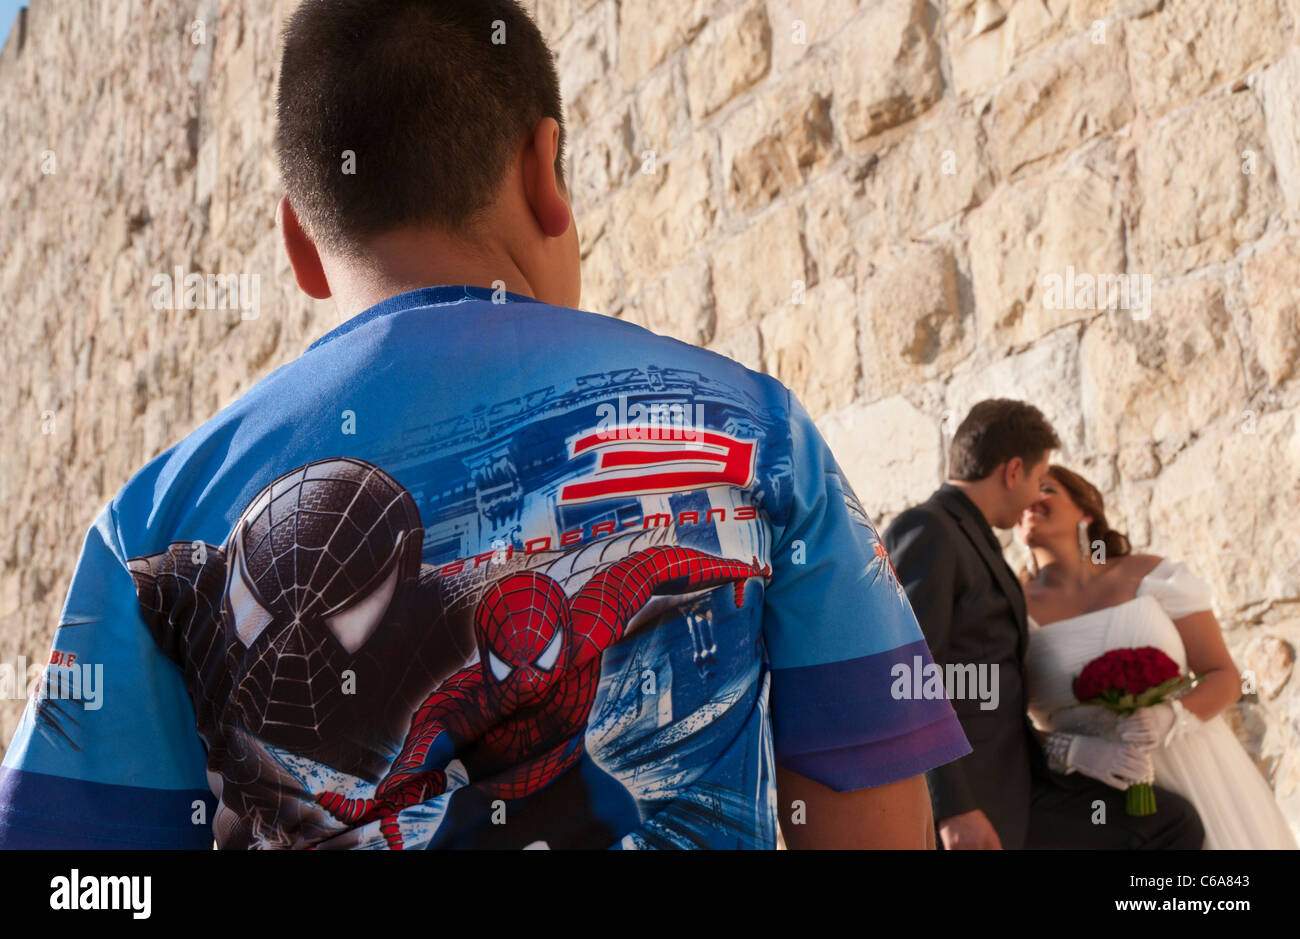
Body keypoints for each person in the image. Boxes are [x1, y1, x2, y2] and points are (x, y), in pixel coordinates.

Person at [0, 0, 970, 850]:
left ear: (300, 239)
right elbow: (870, 822)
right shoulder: (760, 434)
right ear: (543, 165)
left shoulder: (151, 521)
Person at [884, 399, 1204, 849]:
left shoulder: (976, 539)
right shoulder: (929, 529)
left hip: (1023, 785)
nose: (1036, 496)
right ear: (1013, 471)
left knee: (1169, 823)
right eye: (1039, 479)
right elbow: (907, 676)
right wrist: (952, 808)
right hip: (974, 797)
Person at [1017, 464, 1297, 850]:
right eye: (1023, 491)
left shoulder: (1148, 575)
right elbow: (1000, 724)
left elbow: (1225, 677)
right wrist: (1071, 750)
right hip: (1093, 795)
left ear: (1086, 513)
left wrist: (1172, 716)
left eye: (1045, 488)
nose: (1031, 500)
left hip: (1196, 767)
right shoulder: (1010, 609)